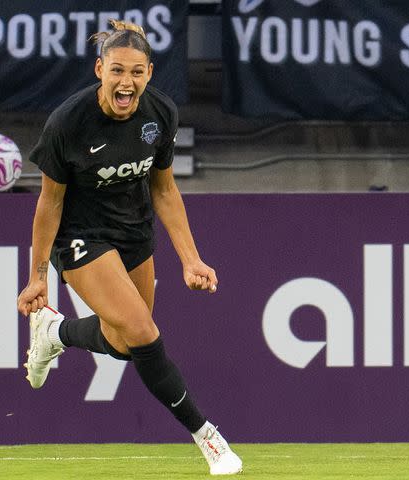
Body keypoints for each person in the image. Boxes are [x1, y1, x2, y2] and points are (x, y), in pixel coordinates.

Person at [16, 19, 243, 476]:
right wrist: (38, 275)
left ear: (150, 74)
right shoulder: (68, 123)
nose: (127, 82)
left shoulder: (160, 114)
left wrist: (191, 259)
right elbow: (50, 201)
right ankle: (208, 437)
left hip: (134, 231)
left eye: (137, 73)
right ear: (100, 69)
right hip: (80, 235)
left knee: (123, 345)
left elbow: (163, 190)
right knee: (142, 329)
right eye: (117, 71)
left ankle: (55, 334)